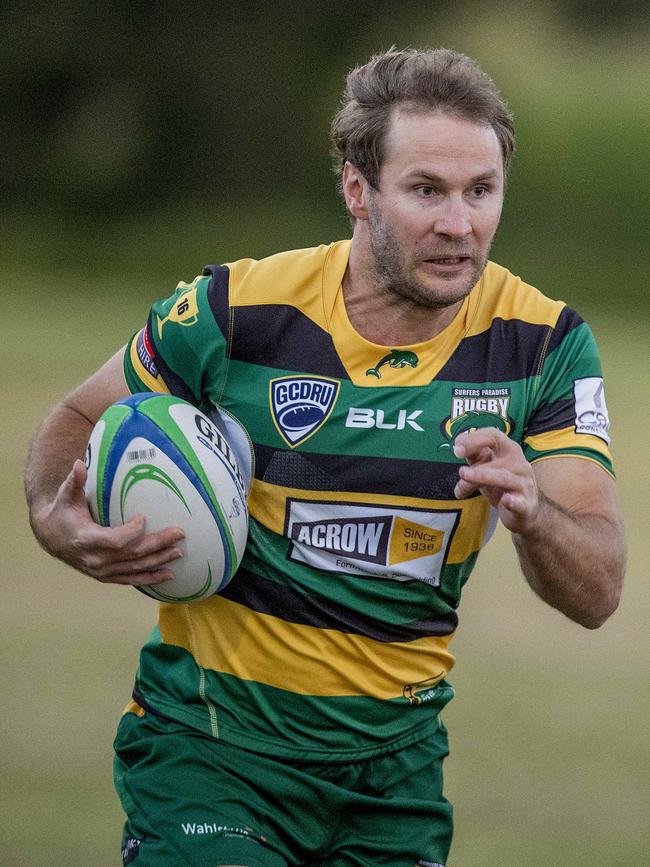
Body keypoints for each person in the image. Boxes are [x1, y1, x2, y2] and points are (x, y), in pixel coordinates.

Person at [25, 47, 625, 867]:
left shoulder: (544, 345)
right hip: (213, 750)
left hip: (394, 773)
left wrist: (531, 513)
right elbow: (78, 418)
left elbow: (598, 589)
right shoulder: (236, 311)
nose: (460, 224)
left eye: (481, 191)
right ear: (357, 189)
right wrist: (55, 518)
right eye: (426, 191)